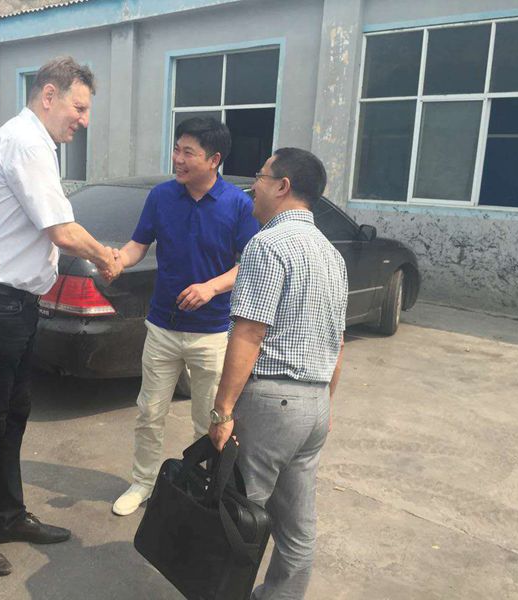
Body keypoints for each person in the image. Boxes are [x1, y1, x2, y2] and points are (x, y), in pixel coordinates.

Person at [0, 56, 120, 576]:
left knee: (13, 414)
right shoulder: (26, 143)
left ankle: (6, 514)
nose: (83, 120)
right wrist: (106, 257)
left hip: (13, 305)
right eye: (78, 107)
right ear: (49, 95)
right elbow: (61, 230)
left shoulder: (34, 143)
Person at [207, 148, 348, 600]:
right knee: (297, 529)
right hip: (314, 405)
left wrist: (222, 410)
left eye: (260, 176)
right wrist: (325, 402)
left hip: (272, 404)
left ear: (283, 186)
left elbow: (248, 333)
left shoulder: (267, 245)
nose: (254, 186)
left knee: (237, 516)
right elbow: (337, 341)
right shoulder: (332, 255)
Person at [111, 117, 259, 516]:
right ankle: (143, 482)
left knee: (208, 419)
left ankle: (200, 486)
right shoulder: (161, 197)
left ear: (214, 159)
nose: (177, 159)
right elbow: (139, 244)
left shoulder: (238, 204)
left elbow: (248, 263)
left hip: (212, 333)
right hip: (162, 326)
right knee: (150, 412)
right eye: (176, 149)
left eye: (188, 152)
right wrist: (117, 260)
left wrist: (211, 287)